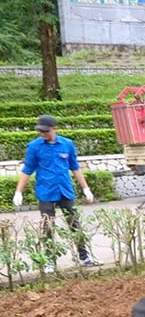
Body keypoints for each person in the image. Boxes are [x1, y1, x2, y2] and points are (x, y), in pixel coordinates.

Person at [12, 114, 99, 271]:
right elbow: (27, 170)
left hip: (65, 190)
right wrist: (19, 191)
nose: (42, 134)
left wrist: (85, 188)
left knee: (74, 224)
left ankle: (85, 256)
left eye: (45, 131)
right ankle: (49, 261)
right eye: (40, 131)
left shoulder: (67, 144)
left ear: (54, 129)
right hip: (46, 191)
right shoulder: (34, 147)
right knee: (47, 227)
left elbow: (75, 167)